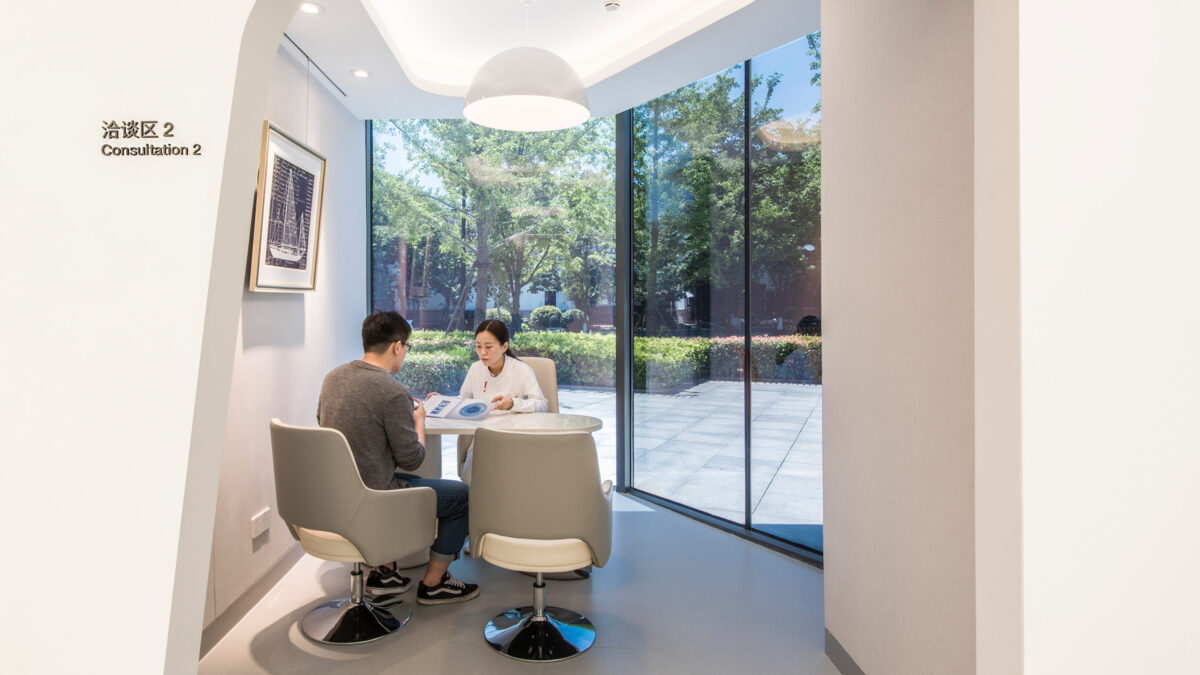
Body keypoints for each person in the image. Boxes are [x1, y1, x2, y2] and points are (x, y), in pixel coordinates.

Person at [316, 310, 480, 605]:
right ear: (396, 346)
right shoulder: (392, 391)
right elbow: (413, 458)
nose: (405, 354)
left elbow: (327, 426)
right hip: (375, 497)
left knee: (401, 477)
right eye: (407, 347)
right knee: (463, 497)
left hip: (334, 492)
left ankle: (386, 572)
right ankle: (434, 583)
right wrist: (419, 420)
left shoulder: (333, 378)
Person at [430, 319, 548, 484]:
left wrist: (513, 404)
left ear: (504, 347)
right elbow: (463, 400)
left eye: (488, 347)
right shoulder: (475, 369)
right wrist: (442, 401)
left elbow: (541, 404)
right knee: (472, 480)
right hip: (482, 440)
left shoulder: (521, 370)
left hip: (515, 439)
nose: (482, 352)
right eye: (478, 346)